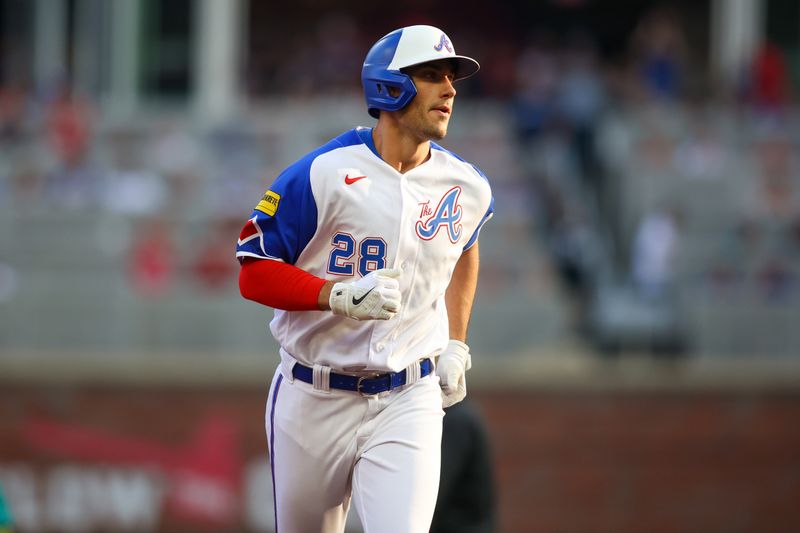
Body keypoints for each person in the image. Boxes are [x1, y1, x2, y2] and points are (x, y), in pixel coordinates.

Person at [236, 25, 494, 533]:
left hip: (408, 395)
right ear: (388, 85)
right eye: (432, 74)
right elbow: (253, 269)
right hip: (315, 392)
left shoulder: (465, 184)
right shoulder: (322, 173)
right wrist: (334, 295)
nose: (450, 89)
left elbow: (466, 249)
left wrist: (457, 344)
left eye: (452, 77)